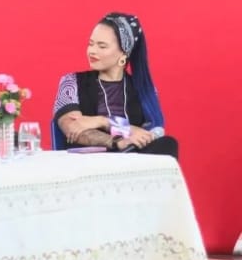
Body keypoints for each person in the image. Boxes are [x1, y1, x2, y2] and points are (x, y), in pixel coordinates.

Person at [52, 12, 179, 157]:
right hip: (90, 162)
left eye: (102, 46)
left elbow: (149, 135)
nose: (92, 51)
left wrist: (102, 121)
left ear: (123, 54)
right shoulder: (71, 82)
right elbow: (72, 128)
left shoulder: (144, 90)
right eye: (90, 44)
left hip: (135, 159)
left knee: (168, 143)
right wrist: (118, 140)